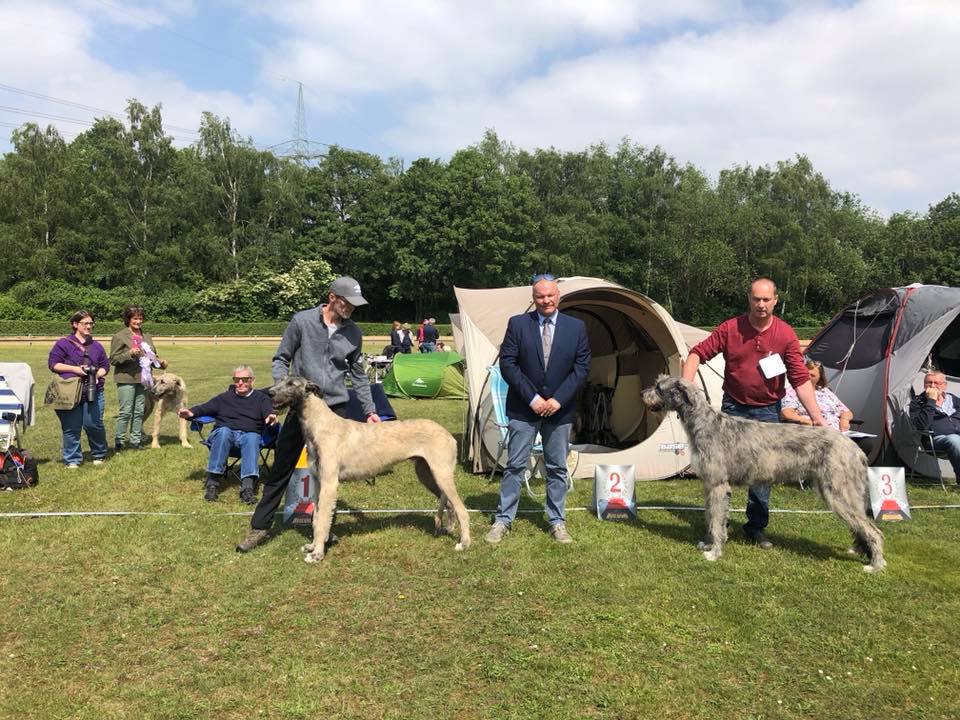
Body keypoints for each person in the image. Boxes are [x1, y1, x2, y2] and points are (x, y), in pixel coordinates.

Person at [236, 276, 381, 552]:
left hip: (334, 410)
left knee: (328, 475)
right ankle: (259, 528)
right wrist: (284, 387)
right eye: (347, 303)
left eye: (355, 305)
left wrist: (370, 411)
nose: (351, 308)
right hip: (300, 409)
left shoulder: (354, 333)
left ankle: (324, 531)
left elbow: (358, 375)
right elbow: (281, 358)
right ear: (332, 297)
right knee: (281, 470)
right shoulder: (302, 321)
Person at [681, 278, 825, 549]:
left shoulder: (785, 334)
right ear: (749, 299)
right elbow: (697, 354)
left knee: (762, 475)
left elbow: (799, 378)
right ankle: (717, 530)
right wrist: (687, 387)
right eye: (756, 299)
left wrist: (816, 416)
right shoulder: (730, 328)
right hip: (733, 410)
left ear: (775, 300)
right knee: (719, 474)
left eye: (766, 299)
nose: (761, 304)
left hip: (767, 412)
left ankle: (756, 528)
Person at [485, 274, 591, 544]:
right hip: (523, 408)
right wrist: (532, 398)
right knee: (515, 466)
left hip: (561, 410)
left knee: (556, 467)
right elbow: (508, 363)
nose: (546, 300)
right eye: (540, 296)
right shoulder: (518, 324)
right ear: (533, 299)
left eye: (550, 295)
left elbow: (581, 368)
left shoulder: (576, 327)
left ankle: (557, 521)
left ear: (558, 296)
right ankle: (503, 520)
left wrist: (558, 400)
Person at [178, 365, 277, 503]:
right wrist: (191, 412)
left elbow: (268, 411)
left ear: (252, 380)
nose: (240, 383)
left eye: (244, 379)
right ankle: (212, 484)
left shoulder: (261, 398)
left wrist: (271, 417)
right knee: (224, 432)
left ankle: (247, 489)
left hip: (248, 436)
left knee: (252, 437)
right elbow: (205, 407)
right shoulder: (225, 398)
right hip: (224, 436)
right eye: (237, 380)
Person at [47, 310, 110, 468]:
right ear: (75, 324)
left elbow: (105, 366)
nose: (89, 326)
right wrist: (76, 370)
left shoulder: (96, 346)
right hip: (70, 391)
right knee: (71, 427)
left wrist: (96, 375)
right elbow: (53, 364)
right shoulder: (63, 343)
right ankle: (73, 459)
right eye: (85, 323)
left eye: (91, 323)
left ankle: (99, 454)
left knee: (94, 424)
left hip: (94, 390)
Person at [780, 358, 874, 456]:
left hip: (839, 432)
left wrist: (844, 420)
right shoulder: (793, 391)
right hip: (815, 433)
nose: (808, 377)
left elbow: (846, 411)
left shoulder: (825, 391)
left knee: (865, 443)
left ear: (819, 378)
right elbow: (786, 413)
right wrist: (808, 422)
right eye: (806, 374)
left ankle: (848, 470)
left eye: (812, 375)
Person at [110, 305, 168, 451]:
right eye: (135, 318)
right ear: (128, 319)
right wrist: (129, 353)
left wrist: (160, 364)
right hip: (126, 379)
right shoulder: (120, 336)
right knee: (126, 411)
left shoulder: (147, 336)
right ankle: (119, 442)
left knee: (139, 411)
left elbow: (151, 357)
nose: (138, 321)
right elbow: (113, 359)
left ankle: (135, 442)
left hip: (144, 380)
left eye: (140, 318)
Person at [910, 370, 960, 486]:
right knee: (954, 439)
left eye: (937, 383)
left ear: (944, 385)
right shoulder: (918, 402)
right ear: (924, 384)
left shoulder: (955, 400)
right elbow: (922, 426)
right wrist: (931, 401)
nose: (932, 386)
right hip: (935, 439)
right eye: (929, 383)